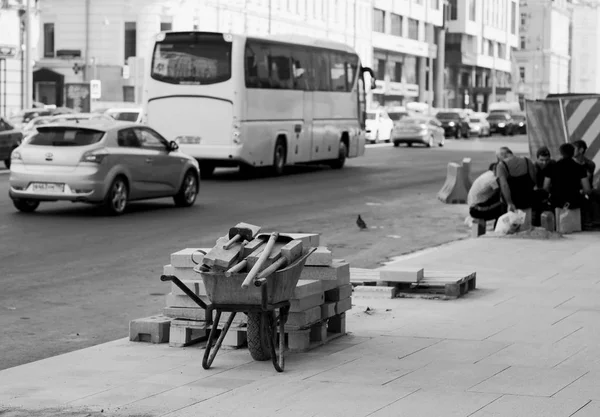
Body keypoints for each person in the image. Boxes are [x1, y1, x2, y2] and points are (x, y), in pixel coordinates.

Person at [543, 143, 592, 210]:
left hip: (556, 202)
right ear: (573, 153)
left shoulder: (551, 167)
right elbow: (587, 190)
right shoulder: (580, 168)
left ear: (561, 153)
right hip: (575, 202)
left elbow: (545, 187)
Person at [495, 147, 537, 213]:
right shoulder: (527, 160)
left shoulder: (501, 165)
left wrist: (509, 203)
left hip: (513, 203)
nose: (498, 160)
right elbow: (534, 178)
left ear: (504, 155)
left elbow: (504, 185)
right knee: (527, 222)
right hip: (528, 200)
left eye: (498, 158)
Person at [532, 146, 555, 226]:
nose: (544, 163)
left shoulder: (552, 164)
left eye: (547, 160)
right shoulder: (533, 168)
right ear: (537, 158)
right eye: (541, 160)